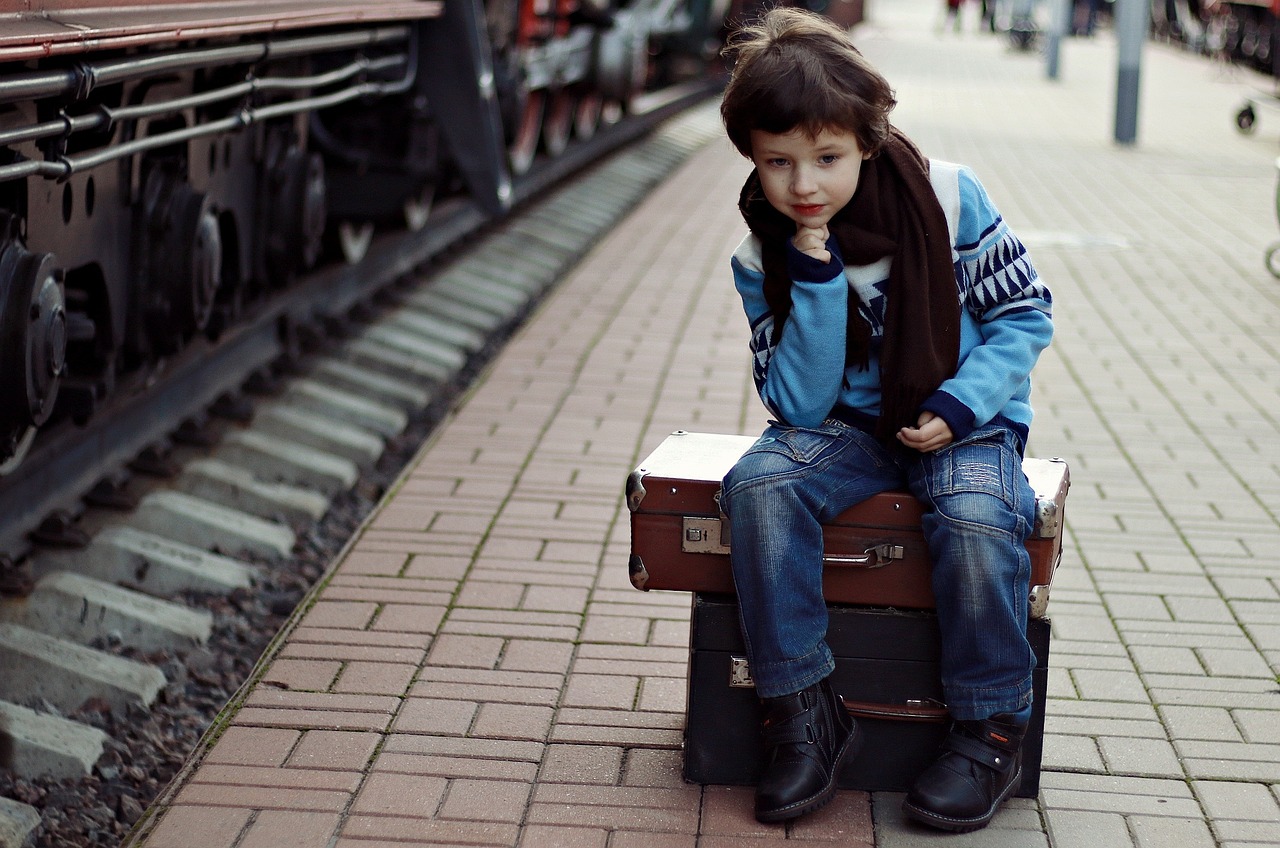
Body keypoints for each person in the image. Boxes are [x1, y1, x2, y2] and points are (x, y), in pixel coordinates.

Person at [717, 8, 1054, 834]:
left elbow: (1024, 314)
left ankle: (990, 727)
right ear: (753, 158)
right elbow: (795, 405)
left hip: (961, 424)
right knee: (759, 485)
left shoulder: (946, 196)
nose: (803, 186)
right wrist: (818, 276)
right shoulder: (763, 256)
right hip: (847, 432)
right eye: (778, 162)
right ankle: (802, 711)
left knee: (977, 515)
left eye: (827, 158)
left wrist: (959, 403)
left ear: (868, 142)